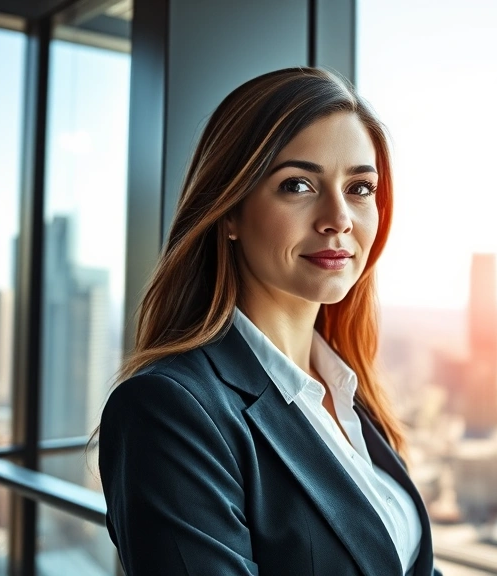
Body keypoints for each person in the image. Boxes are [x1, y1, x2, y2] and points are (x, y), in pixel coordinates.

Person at [96, 67, 442, 576]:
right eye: (298, 185)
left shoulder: (349, 392)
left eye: (360, 187)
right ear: (230, 211)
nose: (338, 218)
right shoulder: (168, 410)